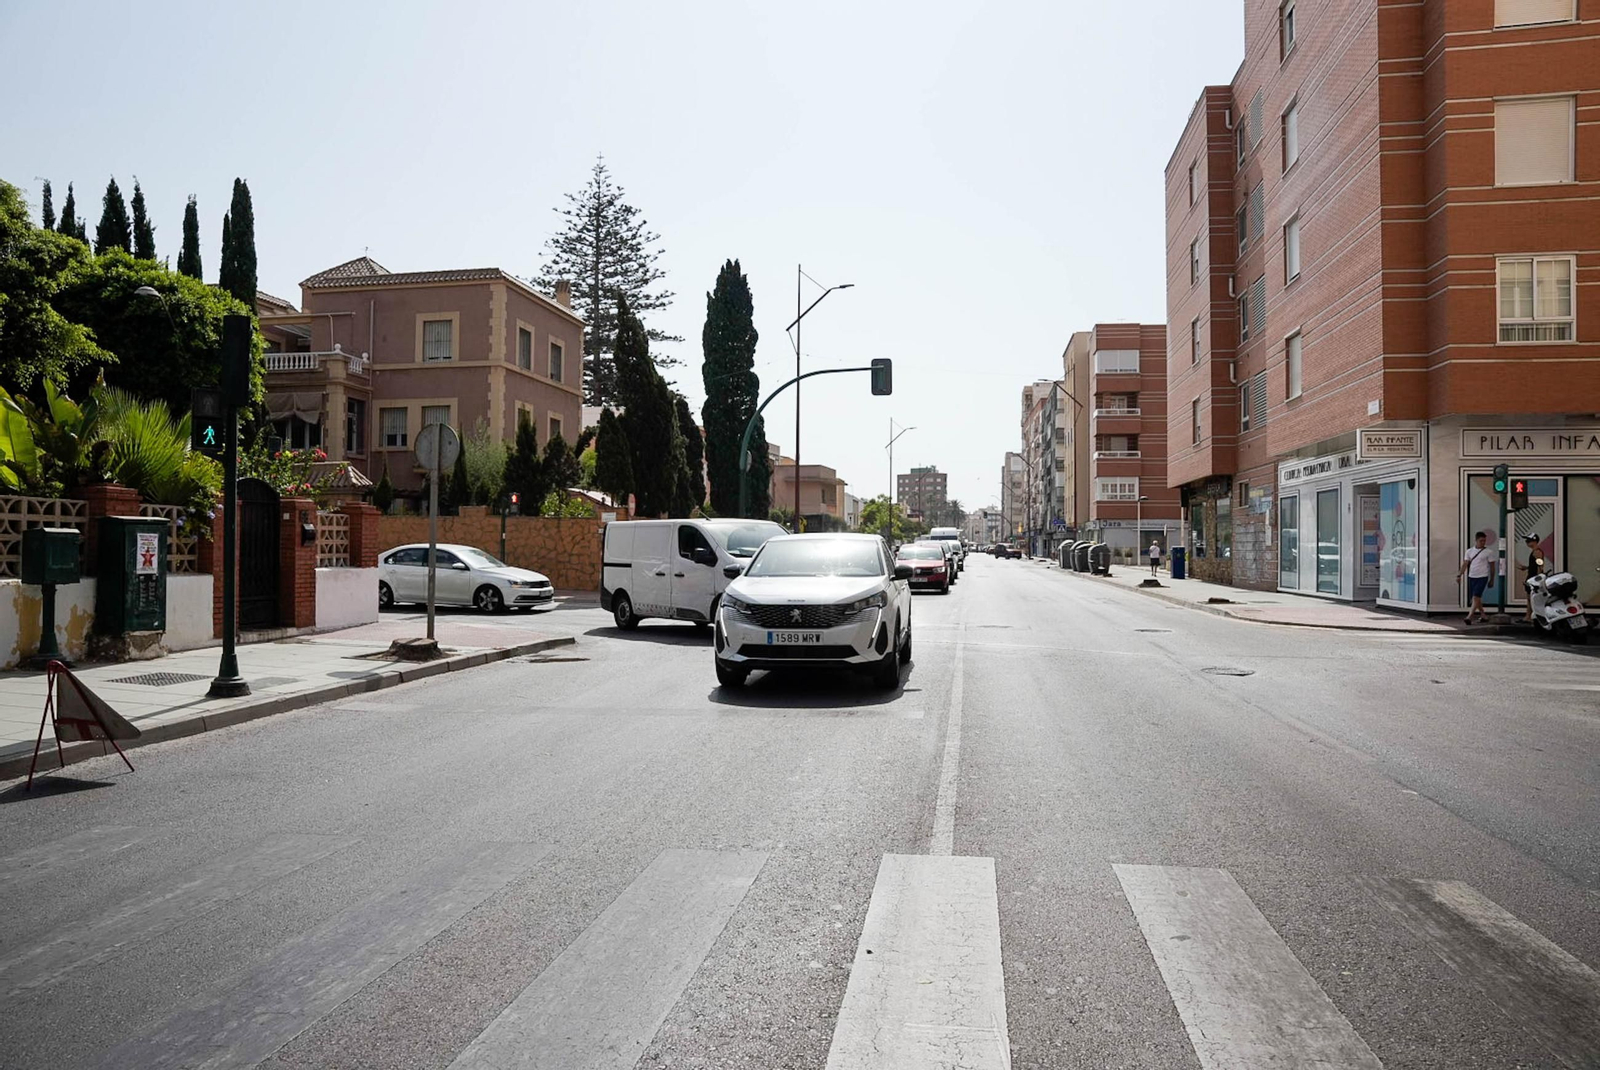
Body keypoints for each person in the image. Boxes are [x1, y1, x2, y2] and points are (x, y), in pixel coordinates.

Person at [1456, 531, 1496, 624]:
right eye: (1481, 541)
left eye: (1484, 541)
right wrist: (1459, 575)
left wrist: (1492, 579)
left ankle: (1469, 616)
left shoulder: (1489, 552)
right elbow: (1465, 564)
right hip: (1472, 576)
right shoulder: (1469, 551)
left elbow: (1492, 566)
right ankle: (1483, 615)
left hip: (1483, 576)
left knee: (1476, 596)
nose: (1483, 543)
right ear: (1476, 540)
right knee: (1476, 598)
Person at [1520, 533, 1547, 623]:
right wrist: (1527, 567)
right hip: (1531, 576)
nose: (1527, 543)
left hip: (1534, 577)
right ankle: (1528, 615)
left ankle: (1530, 616)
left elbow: (1540, 565)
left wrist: (1538, 579)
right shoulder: (1534, 551)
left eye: (1529, 541)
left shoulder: (1537, 552)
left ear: (1535, 541)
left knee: (1531, 597)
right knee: (1529, 597)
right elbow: (1535, 565)